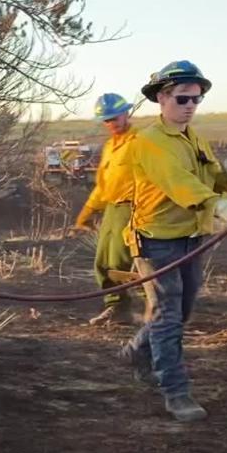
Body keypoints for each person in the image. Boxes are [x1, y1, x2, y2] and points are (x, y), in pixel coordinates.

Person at [118, 61, 227, 421]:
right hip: (156, 240)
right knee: (168, 317)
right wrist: (220, 206)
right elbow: (179, 185)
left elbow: (211, 182)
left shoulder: (194, 138)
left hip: (193, 237)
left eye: (197, 98)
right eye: (182, 98)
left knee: (180, 312)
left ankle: (136, 349)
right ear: (162, 98)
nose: (191, 105)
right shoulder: (148, 142)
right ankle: (175, 392)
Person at [75, 93, 141, 326]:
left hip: (136, 208)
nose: (112, 123)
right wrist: (87, 212)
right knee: (103, 263)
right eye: (107, 120)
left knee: (129, 263)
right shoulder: (110, 146)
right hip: (112, 209)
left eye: (115, 117)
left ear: (126, 113)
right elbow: (103, 186)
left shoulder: (141, 142)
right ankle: (117, 308)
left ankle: (157, 312)